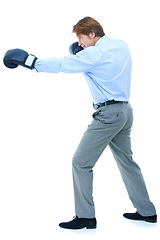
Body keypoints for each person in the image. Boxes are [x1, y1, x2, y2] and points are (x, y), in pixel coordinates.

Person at [3, 16, 157, 230]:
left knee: (81, 162)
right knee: (127, 162)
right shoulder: (121, 45)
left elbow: (62, 64)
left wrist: (31, 62)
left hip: (108, 115)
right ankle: (147, 212)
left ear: (92, 34)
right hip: (125, 112)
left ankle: (85, 217)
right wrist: (84, 52)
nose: (80, 43)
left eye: (82, 38)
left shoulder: (94, 54)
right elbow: (93, 61)